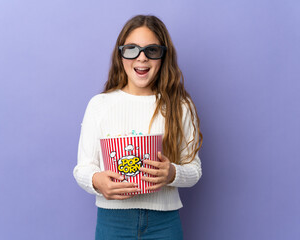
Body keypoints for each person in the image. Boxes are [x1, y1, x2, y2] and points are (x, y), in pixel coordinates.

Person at [73, 14, 203, 240]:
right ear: (120, 54)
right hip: (113, 221)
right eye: (132, 49)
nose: (141, 58)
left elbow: (194, 170)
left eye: (151, 50)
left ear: (163, 56)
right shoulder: (99, 105)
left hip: (164, 222)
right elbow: (82, 168)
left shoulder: (180, 105)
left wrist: (172, 173)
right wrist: (97, 181)